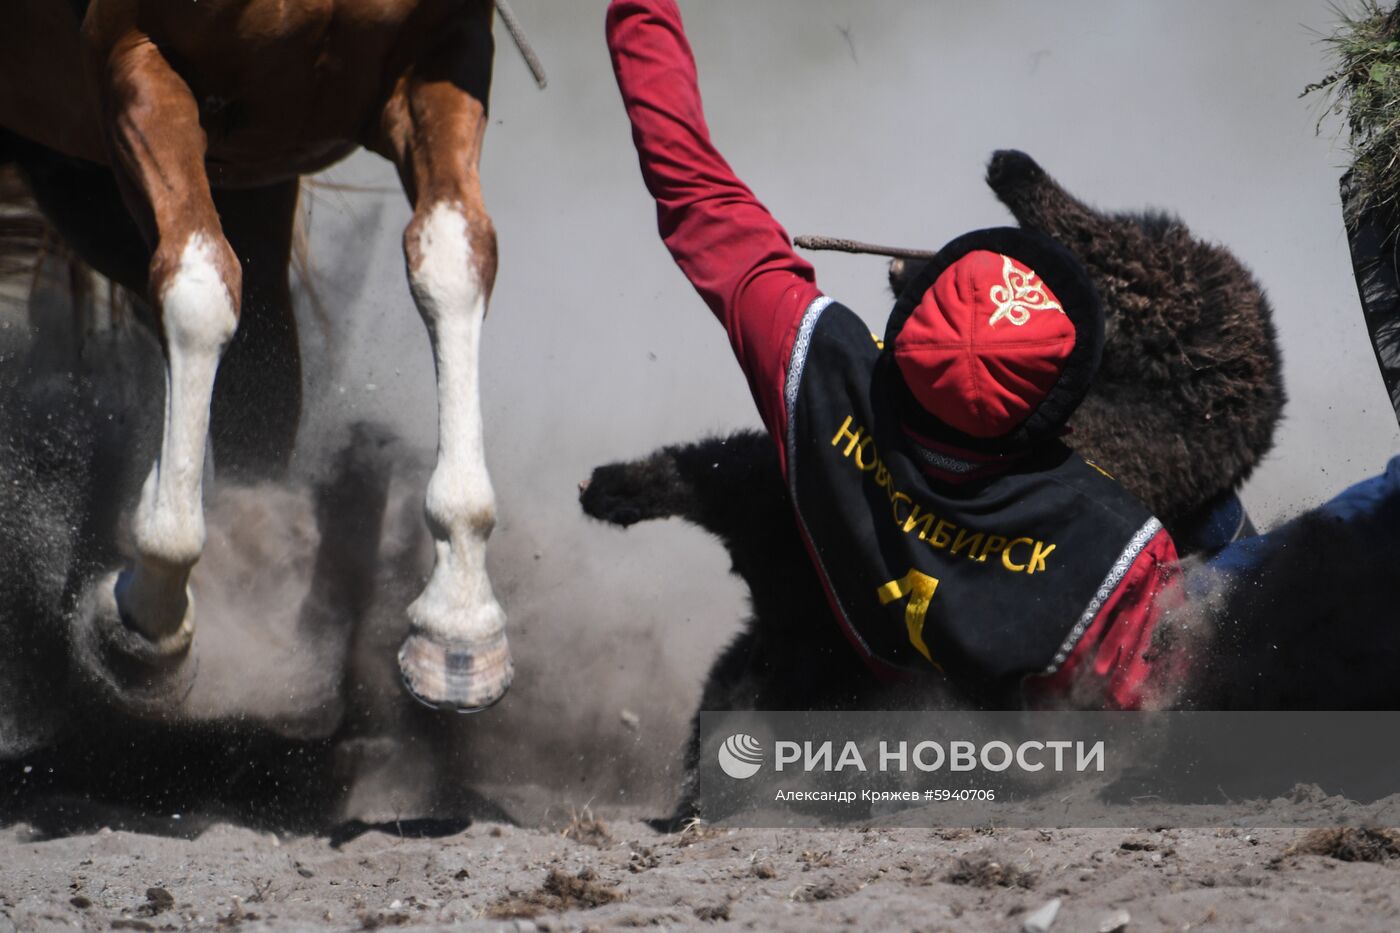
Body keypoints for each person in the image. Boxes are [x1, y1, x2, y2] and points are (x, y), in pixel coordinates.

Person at [604, 0, 1179, 710]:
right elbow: (1157, 702)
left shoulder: (817, 368)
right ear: (1054, 410)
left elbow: (690, 183)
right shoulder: (1116, 550)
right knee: (1227, 532)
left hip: (849, 690)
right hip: (976, 758)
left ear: (907, 326)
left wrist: (639, 9)